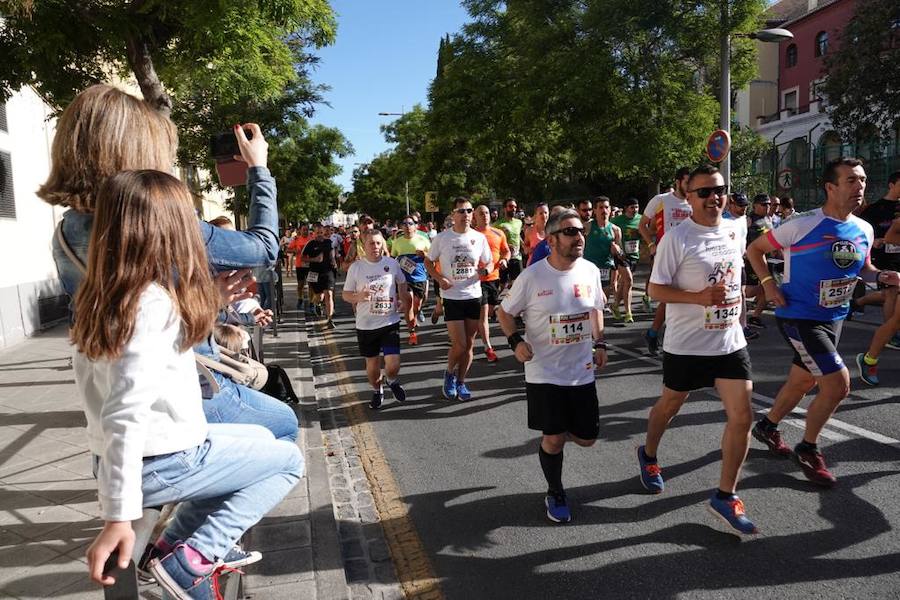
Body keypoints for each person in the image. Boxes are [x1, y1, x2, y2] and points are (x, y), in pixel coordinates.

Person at [73, 170, 302, 597]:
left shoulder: (106, 292)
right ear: (170, 230)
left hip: (151, 450)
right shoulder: (151, 303)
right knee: (288, 460)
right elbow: (124, 411)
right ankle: (192, 558)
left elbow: (158, 354)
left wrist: (213, 302)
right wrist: (117, 516)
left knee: (259, 432)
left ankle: (169, 549)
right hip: (160, 459)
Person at [40, 84, 298, 443]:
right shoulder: (163, 222)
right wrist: (258, 169)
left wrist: (211, 299)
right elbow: (264, 246)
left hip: (117, 397)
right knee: (284, 423)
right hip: (189, 390)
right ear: (136, 153)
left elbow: (125, 311)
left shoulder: (65, 233)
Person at [747, 157, 898, 486]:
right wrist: (770, 286)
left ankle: (767, 426)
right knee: (837, 384)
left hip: (834, 316)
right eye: (851, 181)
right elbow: (755, 250)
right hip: (799, 316)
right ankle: (808, 447)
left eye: (862, 180)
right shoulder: (802, 224)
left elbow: (864, 268)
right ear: (830, 187)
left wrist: (882, 275)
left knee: (803, 382)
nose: (859, 186)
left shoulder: (864, 229)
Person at [638, 164, 758, 537]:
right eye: (704, 192)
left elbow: (735, 279)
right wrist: (698, 298)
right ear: (688, 198)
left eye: (719, 190)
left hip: (729, 342)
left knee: (742, 416)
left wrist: (751, 299)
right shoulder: (678, 238)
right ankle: (649, 454)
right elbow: (655, 291)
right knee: (670, 407)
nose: (714, 198)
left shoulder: (735, 231)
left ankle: (726, 495)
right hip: (686, 345)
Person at [497, 208, 608, 523]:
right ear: (551, 238)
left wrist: (600, 342)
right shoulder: (532, 276)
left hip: (581, 371)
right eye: (571, 232)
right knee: (555, 438)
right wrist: (515, 342)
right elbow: (504, 313)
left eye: (580, 232)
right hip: (544, 371)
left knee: (587, 439)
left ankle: (556, 432)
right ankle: (555, 490)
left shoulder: (588, 270)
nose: (579, 238)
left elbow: (595, 309)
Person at [425, 197, 493, 401]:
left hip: (473, 296)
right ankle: (449, 373)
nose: (465, 215)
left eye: (469, 211)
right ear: (453, 214)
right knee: (460, 345)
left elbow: (489, 263)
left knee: (470, 346)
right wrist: (439, 278)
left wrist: (485, 270)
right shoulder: (442, 238)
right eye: (461, 211)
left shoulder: (479, 238)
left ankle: (461, 381)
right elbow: (428, 262)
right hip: (452, 297)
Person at [343, 230, 411, 408]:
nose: (375, 247)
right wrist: (359, 297)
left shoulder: (392, 263)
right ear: (364, 247)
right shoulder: (356, 267)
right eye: (371, 244)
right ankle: (377, 390)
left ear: (384, 245)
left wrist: (403, 300)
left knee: (393, 364)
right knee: (372, 369)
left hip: (389, 321)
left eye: (378, 243)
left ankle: (391, 380)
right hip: (366, 325)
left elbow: (402, 283)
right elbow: (346, 294)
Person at [639, 167, 692, 353]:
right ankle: (659, 335)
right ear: (677, 182)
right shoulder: (661, 200)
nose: (690, 186)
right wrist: (652, 246)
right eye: (687, 182)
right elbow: (642, 225)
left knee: (678, 298)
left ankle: (655, 333)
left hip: (689, 258)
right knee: (669, 297)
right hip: (665, 255)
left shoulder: (694, 203)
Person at [473, 204, 511, 362]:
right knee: (483, 316)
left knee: (489, 311)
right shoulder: (471, 234)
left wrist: (504, 259)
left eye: (487, 213)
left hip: (494, 277)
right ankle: (488, 347)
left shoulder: (498, 232)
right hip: (477, 280)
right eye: (481, 213)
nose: (485, 216)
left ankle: (470, 330)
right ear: (475, 216)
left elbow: (506, 250)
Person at [391, 215, 431, 345]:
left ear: (416, 226)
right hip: (404, 279)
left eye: (410, 223)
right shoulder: (397, 242)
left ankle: (415, 316)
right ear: (402, 227)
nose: (407, 226)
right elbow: (392, 258)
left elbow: (432, 258)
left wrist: (424, 255)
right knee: (408, 306)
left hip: (420, 277)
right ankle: (412, 333)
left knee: (417, 305)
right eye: (405, 223)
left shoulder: (423, 239)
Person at [583, 196, 622, 315]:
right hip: (589, 268)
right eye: (600, 207)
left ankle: (598, 327)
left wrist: (618, 250)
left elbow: (621, 254)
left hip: (606, 267)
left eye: (606, 207)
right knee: (588, 301)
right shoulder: (587, 226)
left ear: (610, 210)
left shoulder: (615, 230)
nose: (604, 211)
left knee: (601, 301)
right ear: (594, 210)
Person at [745, 194, 775, 329]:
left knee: (768, 287)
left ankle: (755, 317)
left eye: (769, 204)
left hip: (767, 259)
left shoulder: (769, 219)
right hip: (751, 260)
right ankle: (734, 297)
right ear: (755, 205)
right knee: (751, 290)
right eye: (764, 204)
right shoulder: (748, 220)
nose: (767, 207)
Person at [610, 197, 642, 323]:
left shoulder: (640, 219)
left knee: (624, 283)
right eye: (632, 207)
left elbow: (646, 231)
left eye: (637, 207)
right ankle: (628, 313)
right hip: (621, 255)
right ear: (625, 209)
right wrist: (618, 250)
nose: (635, 210)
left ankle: (615, 305)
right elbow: (610, 234)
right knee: (629, 280)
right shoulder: (617, 221)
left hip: (634, 255)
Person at [303, 224, 337, 328]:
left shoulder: (328, 242)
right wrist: (315, 259)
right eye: (317, 233)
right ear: (313, 233)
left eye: (321, 232)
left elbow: (332, 253)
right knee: (319, 296)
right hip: (315, 273)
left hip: (328, 272)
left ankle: (330, 319)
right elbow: (303, 258)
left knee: (329, 294)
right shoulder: (310, 244)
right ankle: (316, 304)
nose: (320, 235)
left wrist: (334, 261)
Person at [495, 198, 524, 289]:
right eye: (510, 206)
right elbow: (495, 241)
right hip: (503, 258)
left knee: (517, 284)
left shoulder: (519, 222)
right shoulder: (497, 224)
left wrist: (524, 245)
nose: (514, 209)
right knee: (502, 285)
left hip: (516, 257)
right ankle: (499, 301)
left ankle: (513, 301)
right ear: (504, 208)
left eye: (515, 207)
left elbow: (518, 236)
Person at [287, 224, 312, 310]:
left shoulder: (311, 239)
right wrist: (295, 250)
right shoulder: (296, 239)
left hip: (310, 265)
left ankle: (312, 302)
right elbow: (288, 249)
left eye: (307, 230)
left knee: (311, 284)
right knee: (300, 285)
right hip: (300, 265)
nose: (305, 231)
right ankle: (300, 299)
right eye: (303, 230)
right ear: (300, 230)